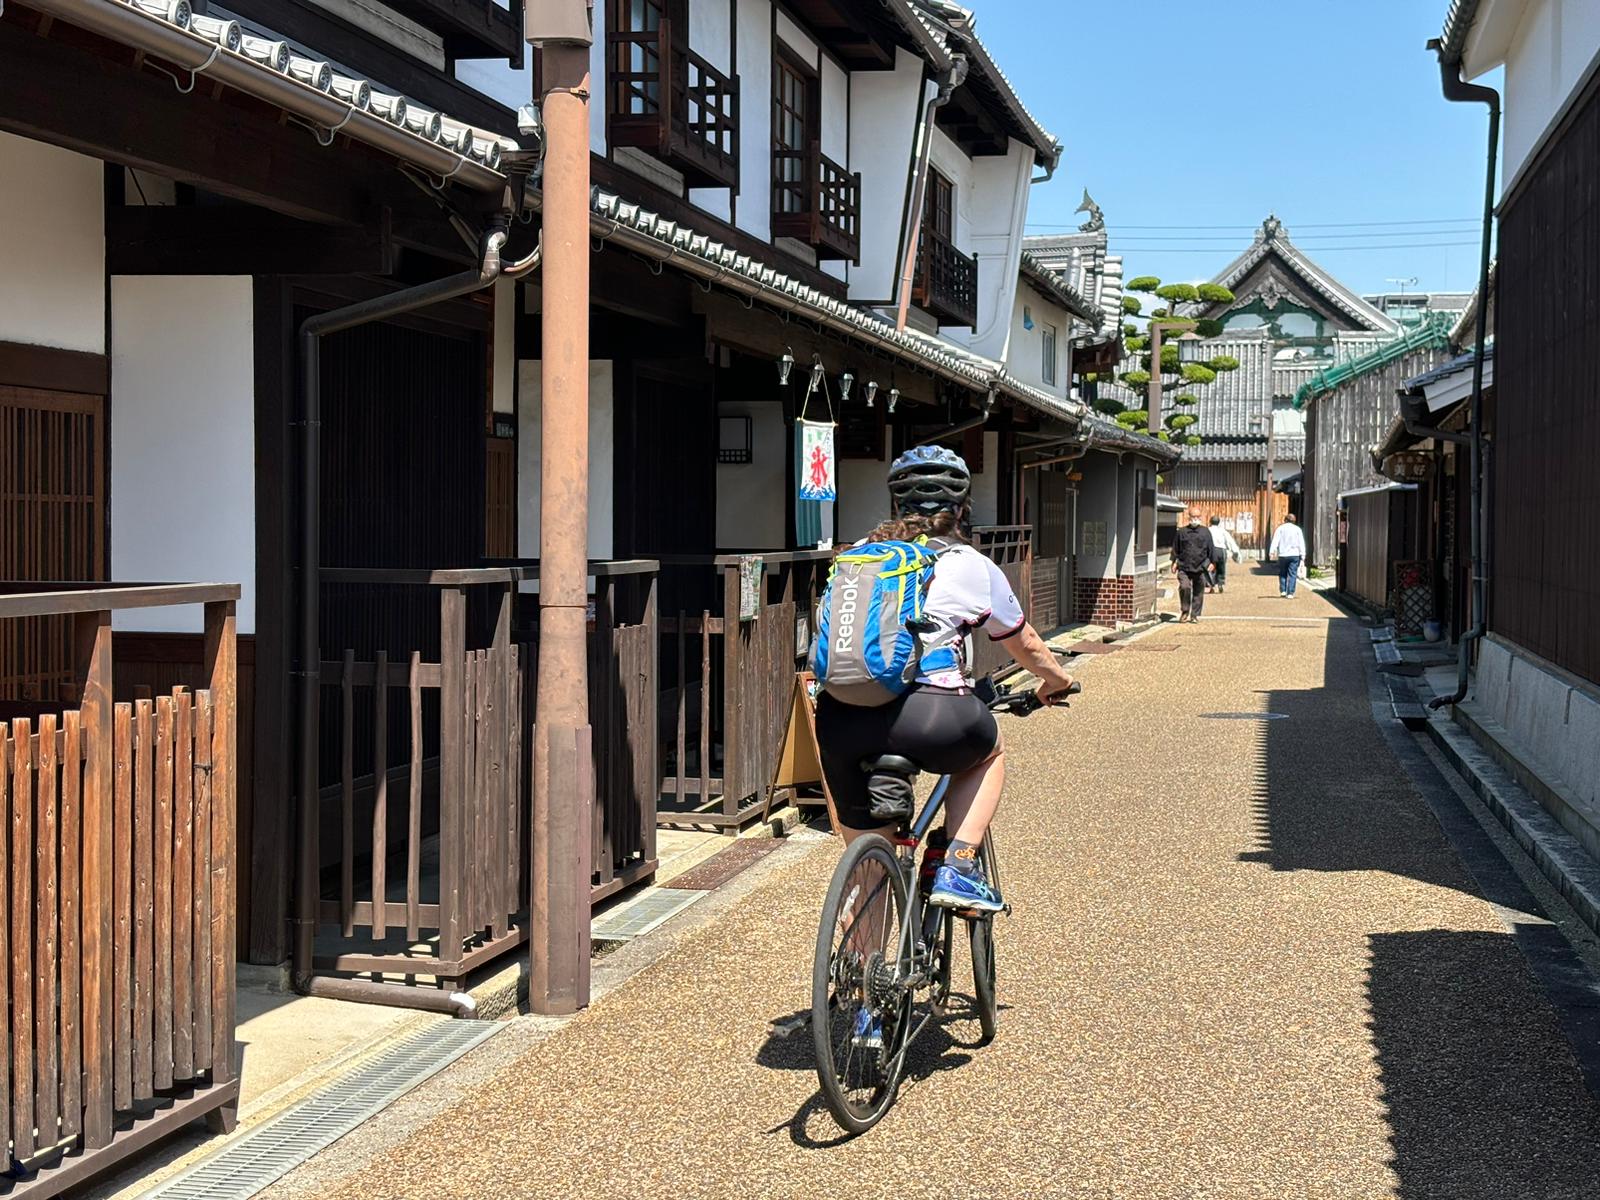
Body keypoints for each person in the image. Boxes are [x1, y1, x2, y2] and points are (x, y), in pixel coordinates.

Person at [814, 446, 1075, 920]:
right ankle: (957, 864)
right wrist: (1057, 680)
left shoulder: (856, 560)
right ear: (960, 509)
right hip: (930, 715)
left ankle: (854, 987)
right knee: (989, 752)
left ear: (897, 506)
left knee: (870, 866)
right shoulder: (970, 564)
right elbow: (1027, 644)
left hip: (841, 720)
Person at [1171, 513, 1214, 622]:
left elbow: (1211, 548)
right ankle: (1185, 611)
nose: (1195, 519)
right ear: (1189, 518)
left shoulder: (1205, 532)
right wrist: (1174, 562)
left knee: (1198, 591)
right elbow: (1176, 548)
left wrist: (1212, 562)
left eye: (1197, 517)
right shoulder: (1182, 532)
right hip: (1184, 565)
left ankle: (1194, 614)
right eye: (1193, 517)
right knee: (1185, 587)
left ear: (1200, 518)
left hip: (1200, 566)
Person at [1269, 512, 1307, 597]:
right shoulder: (1298, 529)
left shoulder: (1280, 528)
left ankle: (1283, 590)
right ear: (1294, 521)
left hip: (1283, 554)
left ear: (1285, 520)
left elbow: (1275, 540)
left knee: (1283, 573)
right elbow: (1301, 543)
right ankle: (1290, 593)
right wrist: (1303, 555)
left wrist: (1272, 551)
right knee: (1292, 573)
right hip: (1294, 554)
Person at [1207, 515, 1241, 592]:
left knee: (1211, 568)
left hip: (1212, 550)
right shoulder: (1223, 531)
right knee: (1221, 567)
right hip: (1222, 550)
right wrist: (1235, 551)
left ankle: (1211, 586)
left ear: (1210, 522)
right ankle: (1220, 584)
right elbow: (1230, 541)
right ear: (1219, 523)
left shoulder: (1207, 530)